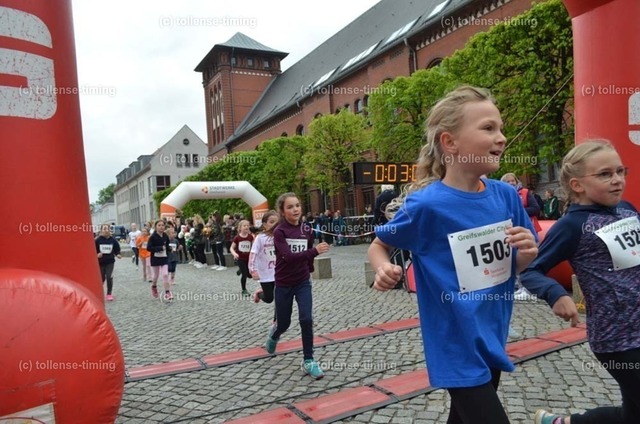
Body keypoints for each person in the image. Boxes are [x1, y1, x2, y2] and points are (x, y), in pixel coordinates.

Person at [368, 86, 538, 424]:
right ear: (450, 142)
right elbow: (379, 244)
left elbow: (512, 266)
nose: (502, 137)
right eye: (488, 128)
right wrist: (383, 267)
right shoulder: (427, 205)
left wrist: (526, 254)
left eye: (501, 128)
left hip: (491, 333)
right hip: (454, 343)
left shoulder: (505, 196)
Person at [516, 140, 639, 424]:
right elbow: (532, 270)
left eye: (620, 171)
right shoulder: (571, 226)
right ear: (577, 185)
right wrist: (556, 294)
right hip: (617, 337)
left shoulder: (627, 209)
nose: (617, 179)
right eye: (605, 174)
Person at [264, 192, 331, 380]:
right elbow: (289, 257)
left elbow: (307, 253)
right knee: (284, 323)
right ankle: (275, 334)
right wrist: (314, 251)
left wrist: (310, 267)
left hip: (302, 282)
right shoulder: (280, 232)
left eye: (297, 205)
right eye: (290, 207)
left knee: (306, 319)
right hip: (284, 283)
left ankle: (309, 360)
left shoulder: (307, 230)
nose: (295, 209)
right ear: (282, 211)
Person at [249, 211, 279, 322]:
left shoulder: (280, 236)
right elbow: (253, 254)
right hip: (265, 274)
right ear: (265, 224)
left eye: (277, 222)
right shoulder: (260, 238)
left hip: (279, 272)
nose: (275, 224)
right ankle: (259, 294)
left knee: (279, 298)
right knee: (269, 298)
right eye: (271, 222)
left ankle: (276, 321)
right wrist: (253, 271)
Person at [147, 219, 172, 301]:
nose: (161, 227)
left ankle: (167, 292)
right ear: (156, 227)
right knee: (156, 276)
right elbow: (149, 248)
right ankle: (154, 286)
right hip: (155, 258)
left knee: (165, 274)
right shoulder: (152, 237)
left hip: (164, 257)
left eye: (162, 225)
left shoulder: (165, 236)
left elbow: (167, 245)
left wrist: (170, 249)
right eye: (159, 225)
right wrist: (159, 248)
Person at [95, 224, 122, 301]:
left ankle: (109, 293)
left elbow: (117, 249)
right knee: (101, 278)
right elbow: (93, 250)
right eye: (104, 229)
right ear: (101, 230)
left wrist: (118, 254)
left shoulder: (113, 240)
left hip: (110, 262)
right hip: (101, 262)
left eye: (107, 229)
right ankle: (99, 292)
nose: (106, 230)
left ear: (109, 230)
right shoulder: (97, 240)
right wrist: (97, 254)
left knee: (109, 277)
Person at [231, 219, 254, 296]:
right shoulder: (237, 238)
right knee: (244, 274)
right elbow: (231, 248)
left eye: (248, 225)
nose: (246, 227)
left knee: (250, 275)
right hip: (240, 258)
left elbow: (254, 247)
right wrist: (234, 254)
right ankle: (244, 290)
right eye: (244, 226)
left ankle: (241, 270)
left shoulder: (251, 237)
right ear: (240, 228)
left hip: (248, 258)